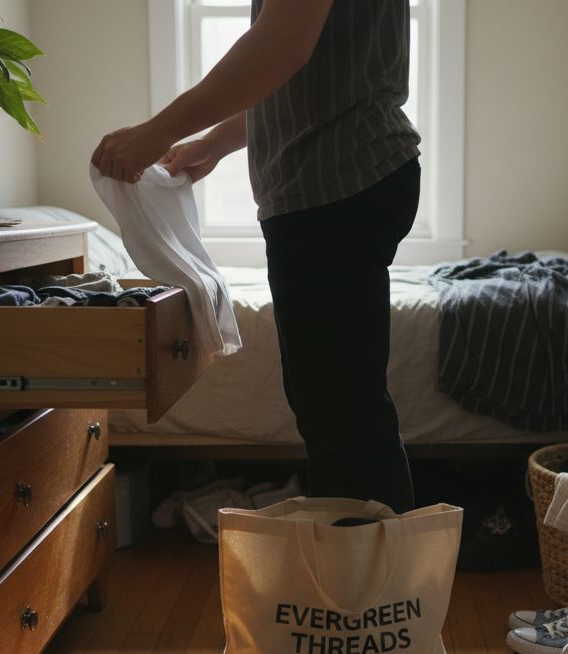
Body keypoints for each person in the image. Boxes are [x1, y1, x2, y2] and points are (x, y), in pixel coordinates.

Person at [92, 0, 420, 513]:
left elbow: (279, 47)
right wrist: (215, 142)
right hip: (346, 176)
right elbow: (308, 73)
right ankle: (366, 576)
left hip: (333, 185)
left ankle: (376, 584)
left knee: (340, 414)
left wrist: (157, 131)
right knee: (337, 408)